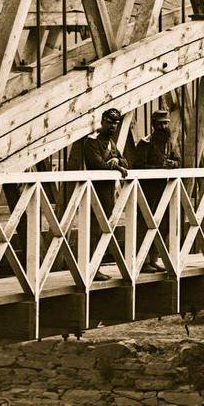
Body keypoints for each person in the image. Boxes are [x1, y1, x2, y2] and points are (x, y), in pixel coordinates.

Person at [74, 107, 129, 278]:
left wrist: (117, 161)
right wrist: (113, 164)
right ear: (103, 121)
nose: (113, 126)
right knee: (93, 230)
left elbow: (125, 161)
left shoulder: (111, 143)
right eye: (110, 122)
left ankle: (95, 266)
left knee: (103, 230)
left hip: (107, 194)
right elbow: (95, 163)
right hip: (94, 192)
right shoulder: (92, 141)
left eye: (116, 123)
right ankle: (90, 268)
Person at [132, 109, 181, 272]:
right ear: (153, 124)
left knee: (163, 224)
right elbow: (138, 166)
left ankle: (154, 259)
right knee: (145, 223)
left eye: (166, 123)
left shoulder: (169, 143)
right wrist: (159, 168)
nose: (163, 126)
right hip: (147, 190)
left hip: (164, 190)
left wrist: (173, 164)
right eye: (160, 123)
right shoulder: (145, 143)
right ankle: (143, 262)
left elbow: (178, 160)